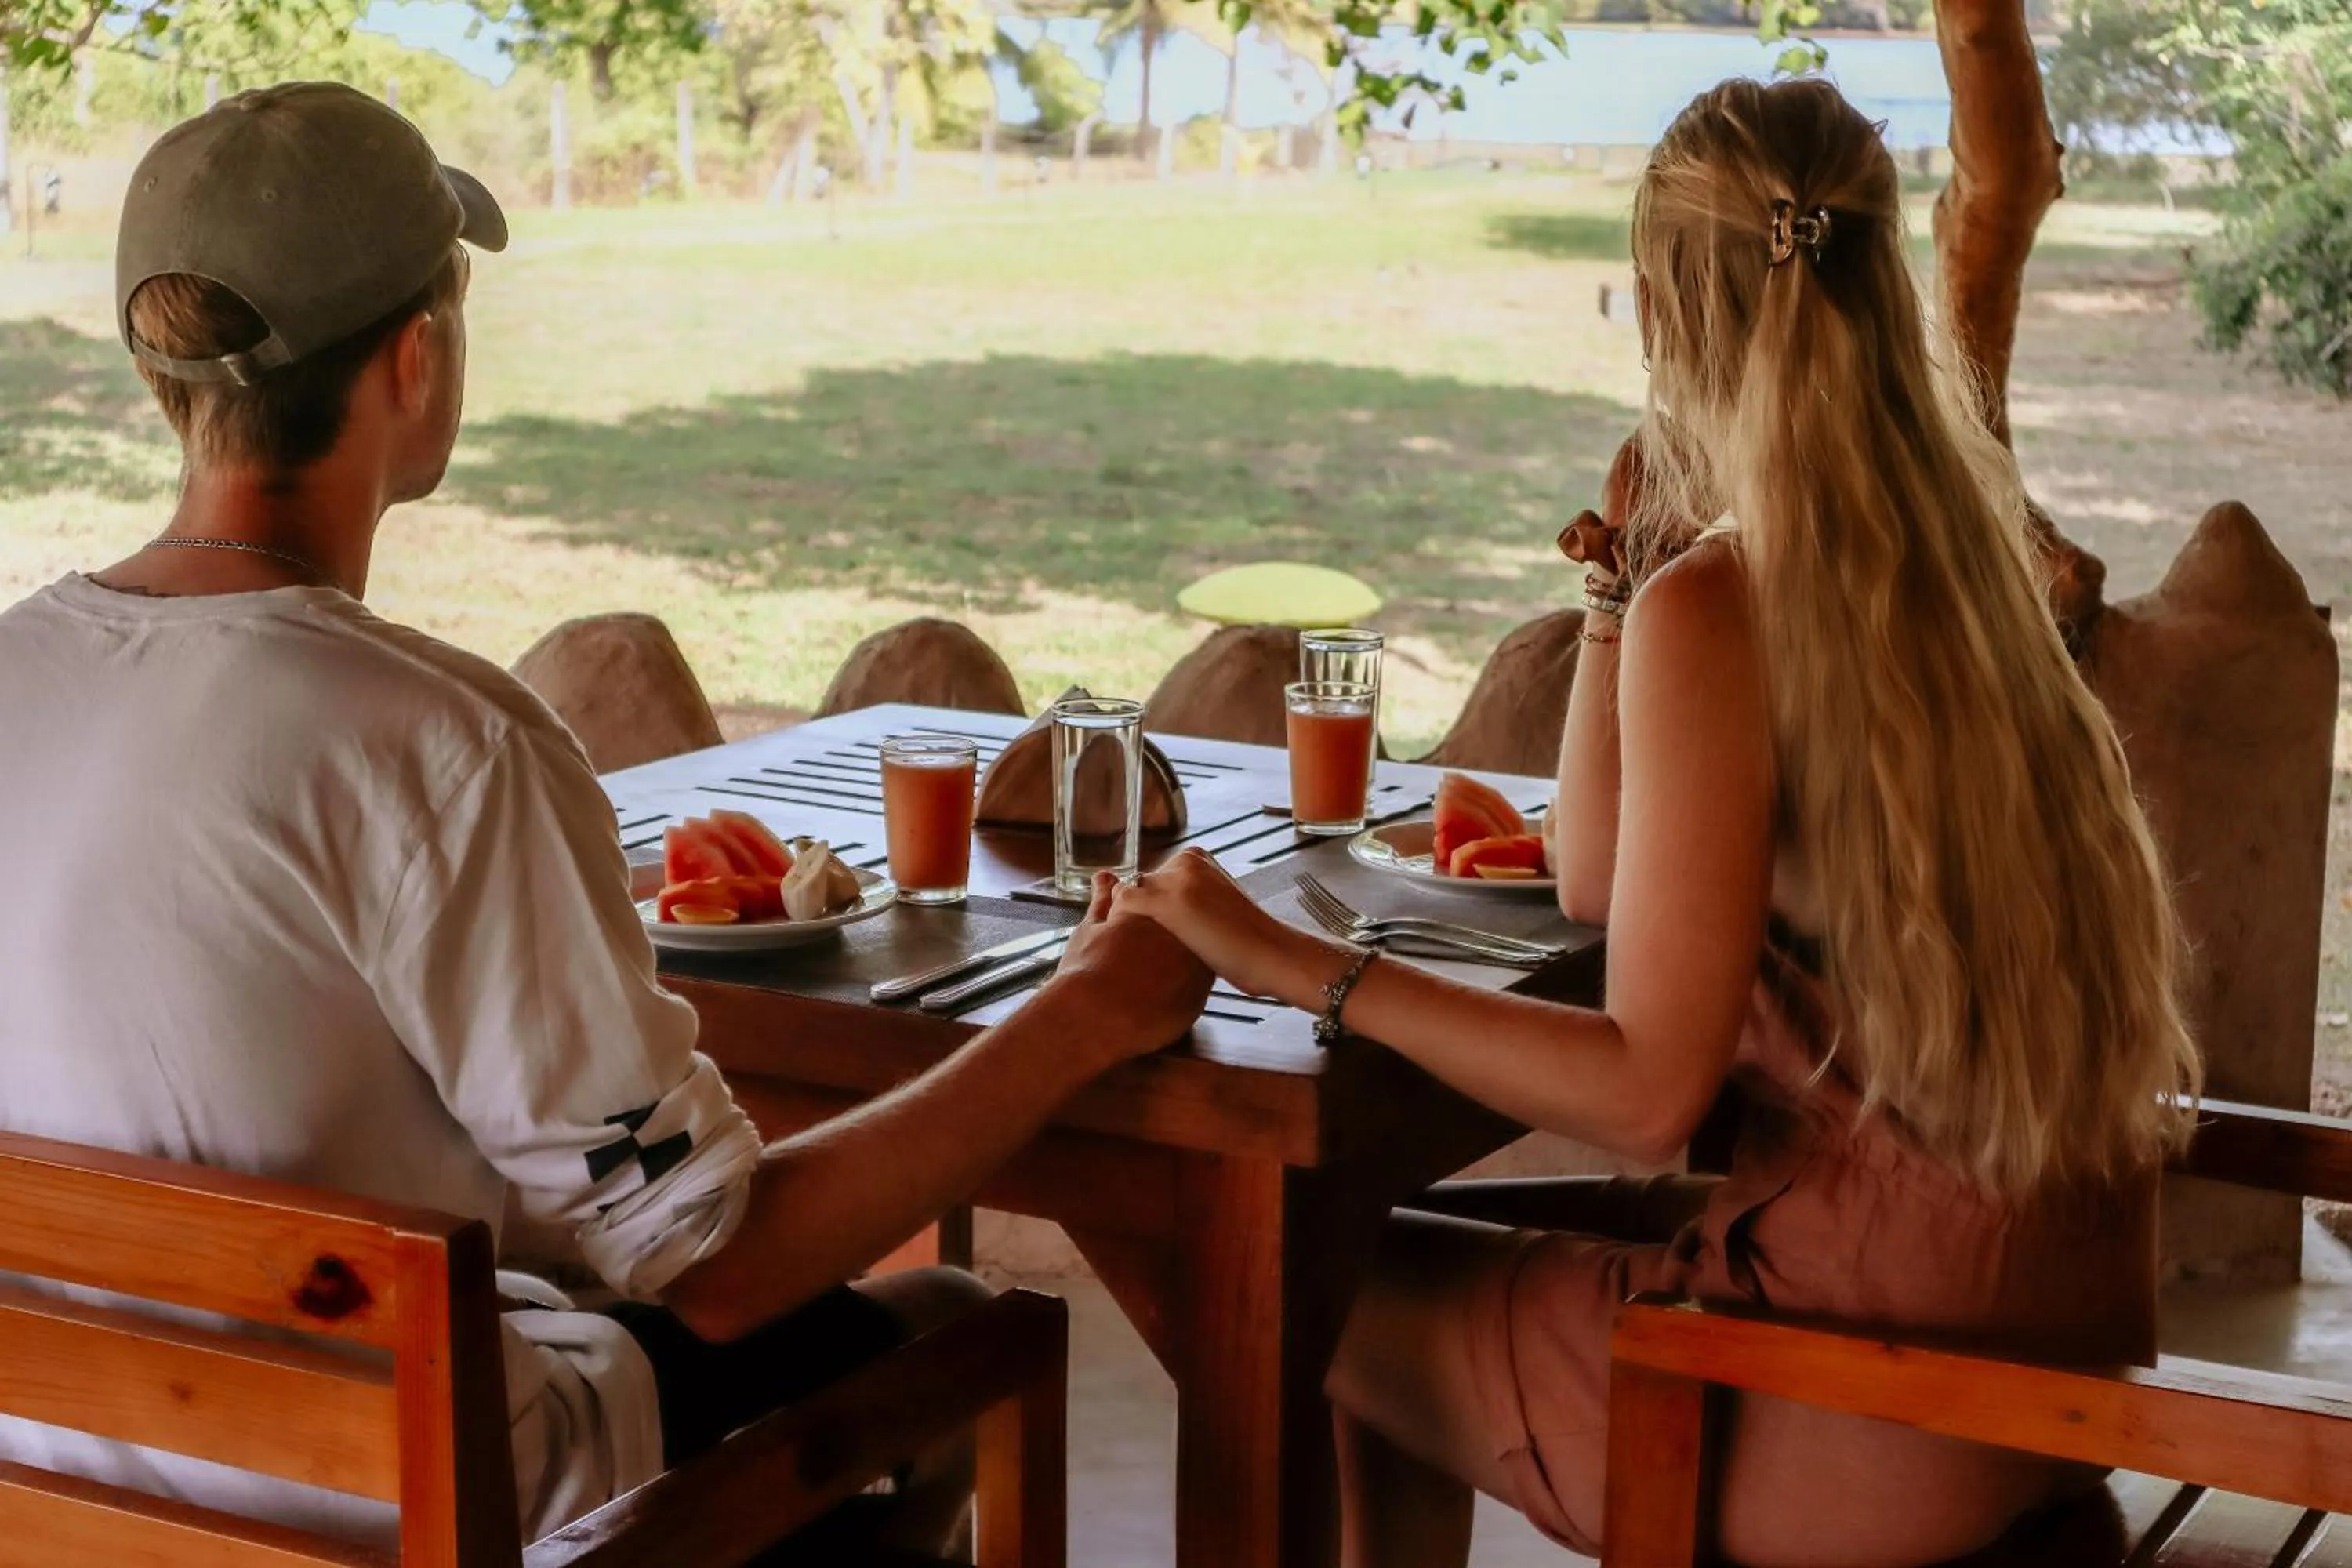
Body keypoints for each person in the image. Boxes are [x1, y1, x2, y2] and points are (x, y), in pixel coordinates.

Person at [0, 82, 1209, 1557]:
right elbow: (718, 1263)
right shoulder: (441, 742)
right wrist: (1082, 1017)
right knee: (947, 1321)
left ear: (162, 373)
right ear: (418, 358)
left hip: (59, 1497)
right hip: (408, 1506)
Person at [1114, 77, 2202, 1568]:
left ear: (1655, 309)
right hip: (2035, 1359)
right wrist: (1618, 588)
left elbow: (1642, 1089)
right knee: (1347, 1246)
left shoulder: (1737, 603)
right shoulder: (1969, 565)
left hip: (1864, 1396)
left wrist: (1289, 961)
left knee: (1255, 1270)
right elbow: (1600, 881)